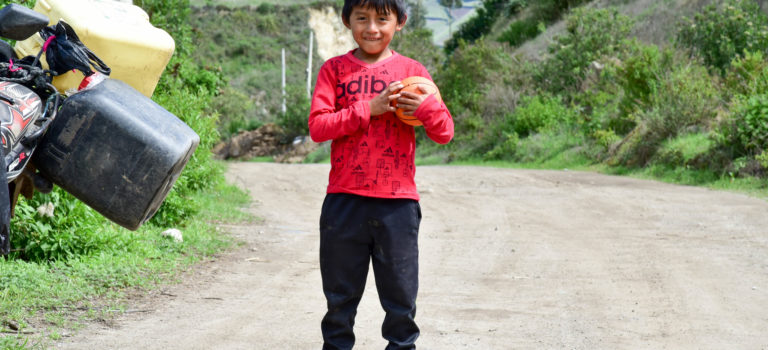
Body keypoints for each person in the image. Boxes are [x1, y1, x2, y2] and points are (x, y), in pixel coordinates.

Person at [308, 0, 454, 348]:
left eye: (382, 19)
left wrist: (426, 107)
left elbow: (445, 132)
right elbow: (318, 126)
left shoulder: (414, 73)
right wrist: (368, 109)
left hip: (398, 206)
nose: (371, 28)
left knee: (401, 304)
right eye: (362, 18)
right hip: (344, 203)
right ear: (347, 21)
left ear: (400, 22)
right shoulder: (335, 70)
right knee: (339, 303)